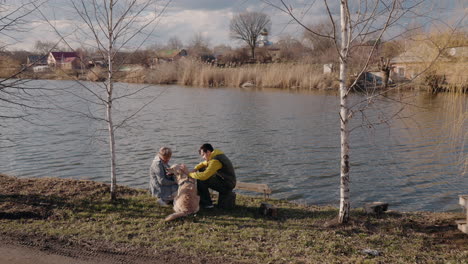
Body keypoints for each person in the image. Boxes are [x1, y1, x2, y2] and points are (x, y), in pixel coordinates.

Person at [188, 143, 236, 208]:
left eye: (203, 155)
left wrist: (190, 174)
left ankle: (207, 204)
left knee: (201, 179)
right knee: (202, 168)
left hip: (228, 184)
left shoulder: (215, 161)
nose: (203, 157)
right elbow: (204, 163)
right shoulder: (216, 154)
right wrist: (195, 168)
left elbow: (203, 176)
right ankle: (205, 199)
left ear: (208, 152)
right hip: (227, 180)